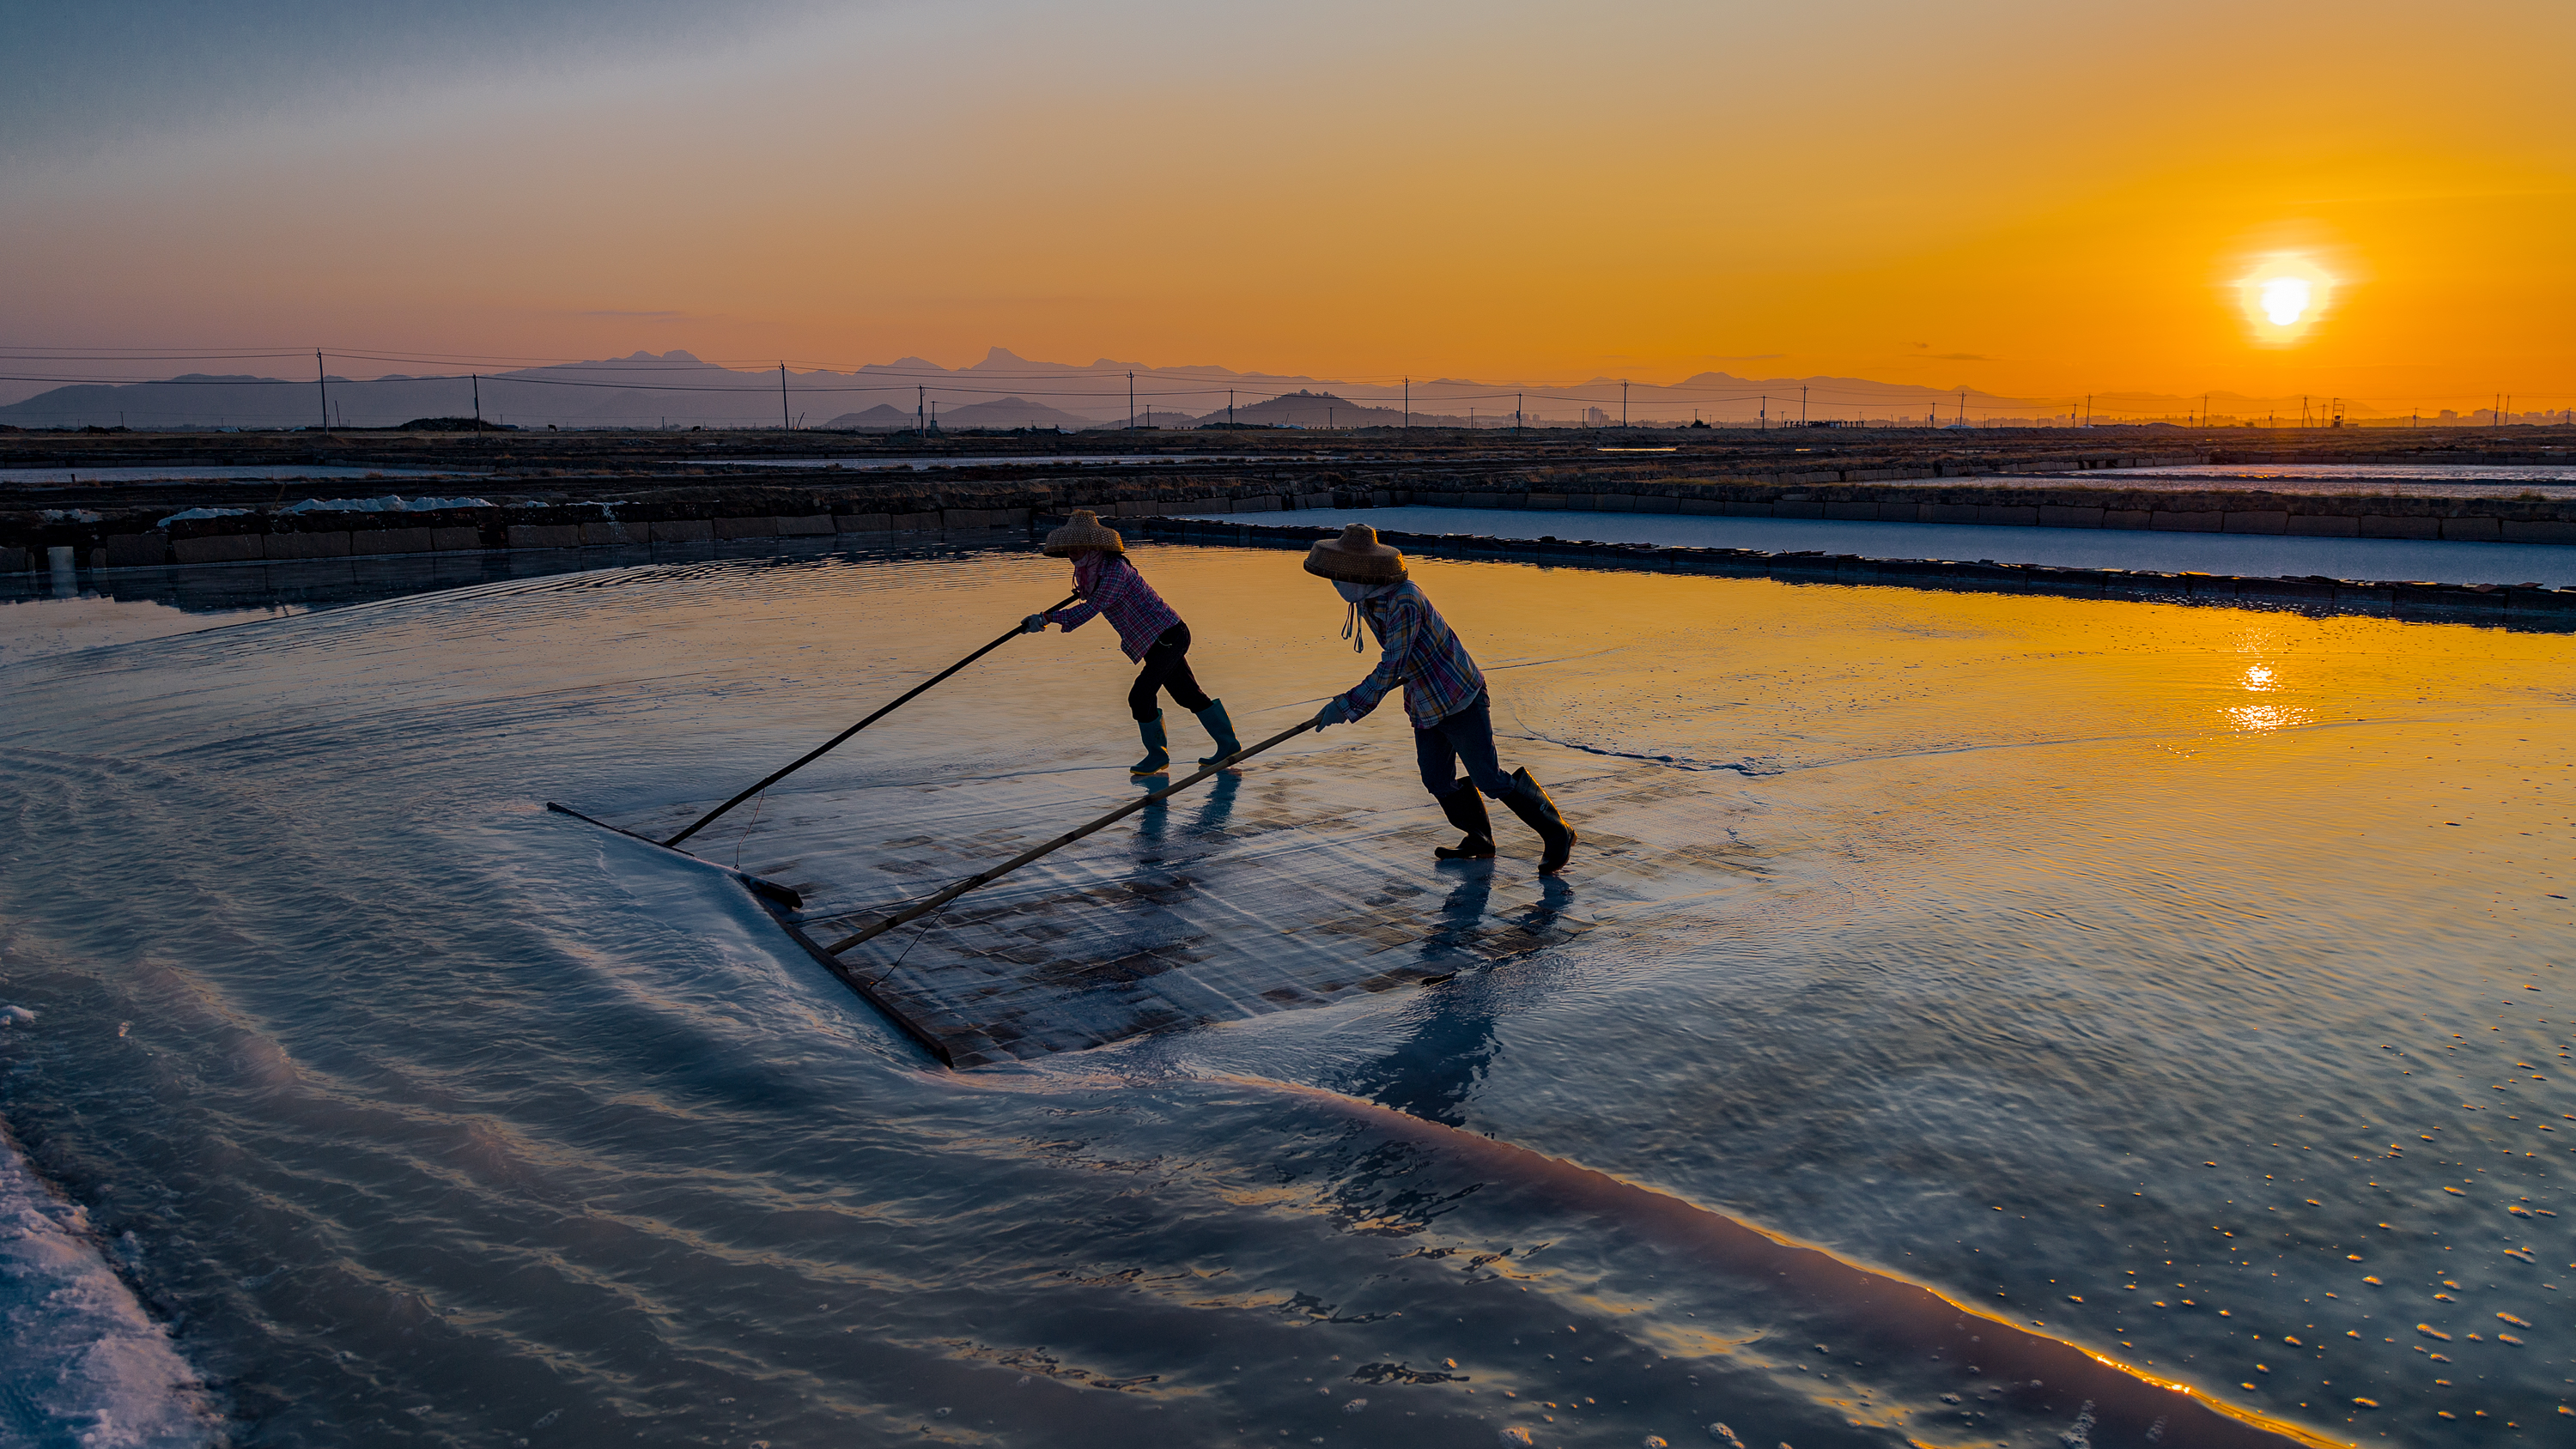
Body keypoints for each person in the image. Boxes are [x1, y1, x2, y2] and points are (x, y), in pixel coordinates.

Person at [1302, 523, 1577, 873]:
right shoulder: (1370, 601)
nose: (1336, 583)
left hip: (1459, 696)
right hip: (1425, 700)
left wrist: (1345, 705)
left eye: (1341, 576)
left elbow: (1391, 667)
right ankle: (1479, 837)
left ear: (1363, 574)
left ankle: (1558, 832)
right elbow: (1401, 662)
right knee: (1435, 778)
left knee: (1488, 778)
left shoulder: (1403, 600)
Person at [1022, 510, 1240, 775]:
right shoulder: (1089, 572)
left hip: (1169, 635)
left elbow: (1092, 608)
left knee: (1140, 695)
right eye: (1069, 546)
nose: (1072, 551)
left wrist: (1046, 618)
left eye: (1078, 546)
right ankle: (1228, 744)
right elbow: (1090, 598)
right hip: (1153, 641)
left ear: (1093, 546)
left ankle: (1157, 755)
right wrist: (1043, 619)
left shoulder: (1115, 570)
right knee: (1187, 695)